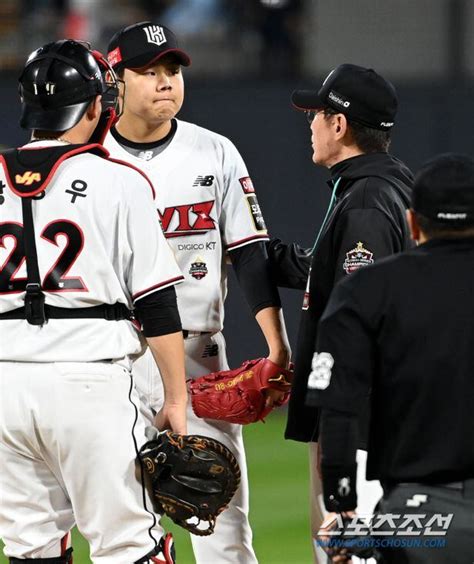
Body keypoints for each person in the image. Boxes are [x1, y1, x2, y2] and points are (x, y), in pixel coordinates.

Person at [103, 21, 291, 564]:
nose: (166, 82)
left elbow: (251, 252)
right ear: (116, 80)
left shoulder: (215, 152)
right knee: (119, 516)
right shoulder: (88, 161)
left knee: (223, 514)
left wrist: (276, 345)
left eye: (173, 70)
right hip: (110, 353)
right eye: (149, 72)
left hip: (197, 353)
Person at [0, 40, 187, 564]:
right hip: (88, 382)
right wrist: (176, 399)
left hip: (5, 386)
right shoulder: (118, 179)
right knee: (129, 545)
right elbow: (156, 303)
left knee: (30, 549)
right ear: (93, 106)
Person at [267, 64, 414, 562]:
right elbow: (331, 273)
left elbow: (360, 324)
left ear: (339, 125)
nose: (309, 124)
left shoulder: (367, 201)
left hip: (363, 432)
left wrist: (341, 455)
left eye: (316, 114)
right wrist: (259, 255)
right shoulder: (383, 187)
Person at [309, 152, 474, 563]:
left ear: (412, 223)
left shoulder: (365, 290)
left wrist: (343, 506)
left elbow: (338, 410)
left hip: (418, 518)